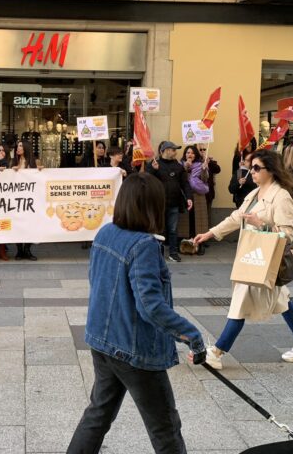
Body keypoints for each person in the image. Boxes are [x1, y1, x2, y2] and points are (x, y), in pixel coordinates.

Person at [66, 173, 207, 454]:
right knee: (165, 427)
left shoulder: (105, 232)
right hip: (134, 350)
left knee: (98, 414)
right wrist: (191, 334)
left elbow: (97, 281)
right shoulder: (144, 246)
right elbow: (150, 307)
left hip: (102, 341)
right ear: (152, 206)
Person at [193, 149, 293, 370]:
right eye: (251, 167)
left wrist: (261, 224)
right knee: (281, 298)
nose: (251, 171)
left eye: (256, 168)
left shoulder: (281, 197)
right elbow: (236, 218)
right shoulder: (255, 193)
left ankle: (217, 352)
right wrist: (210, 233)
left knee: (240, 303)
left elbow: (288, 233)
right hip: (253, 255)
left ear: (270, 170)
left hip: (263, 257)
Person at [149, 141, 193, 263]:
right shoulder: (154, 164)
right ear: (166, 150)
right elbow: (147, 180)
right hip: (158, 204)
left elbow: (185, 183)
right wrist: (153, 170)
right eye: (173, 150)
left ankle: (173, 253)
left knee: (173, 230)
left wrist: (189, 198)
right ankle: (158, 253)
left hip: (174, 204)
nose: (175, 152)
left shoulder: (178, 166)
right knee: (158, 230)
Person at [12, 140, 42, 261]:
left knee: (30, 224)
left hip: (31, 200)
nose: (18, 148)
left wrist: (41, 170)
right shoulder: (13, 162)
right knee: (18, 224)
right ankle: (19, 250)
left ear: (26, 147)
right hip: (16, 199)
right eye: (17, 146)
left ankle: (27, 249)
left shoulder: (34, 162)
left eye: (20, 146)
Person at [178, 145, 210, 243]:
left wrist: (204, 169)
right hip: (185, 195)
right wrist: (185, 167)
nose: (190, 154)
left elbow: (205, 179)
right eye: (188, 152)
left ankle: (200, 243)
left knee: (198, 221)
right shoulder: (180, 164)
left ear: (195, 155)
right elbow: (179, 179)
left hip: (198, 195)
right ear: (185, 154)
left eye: (192, 153)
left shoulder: (201, 164)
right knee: (186, 221)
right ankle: (185, 242)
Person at [197, 144, 221, 231]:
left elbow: (218, 170)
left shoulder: (211, 161)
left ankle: (206, 235)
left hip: (208, 193)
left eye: (204, 149)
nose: (202, 151)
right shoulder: (194, 161)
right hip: (197, 193)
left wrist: (209, 162)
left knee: (207, 215)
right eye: (200, 149)